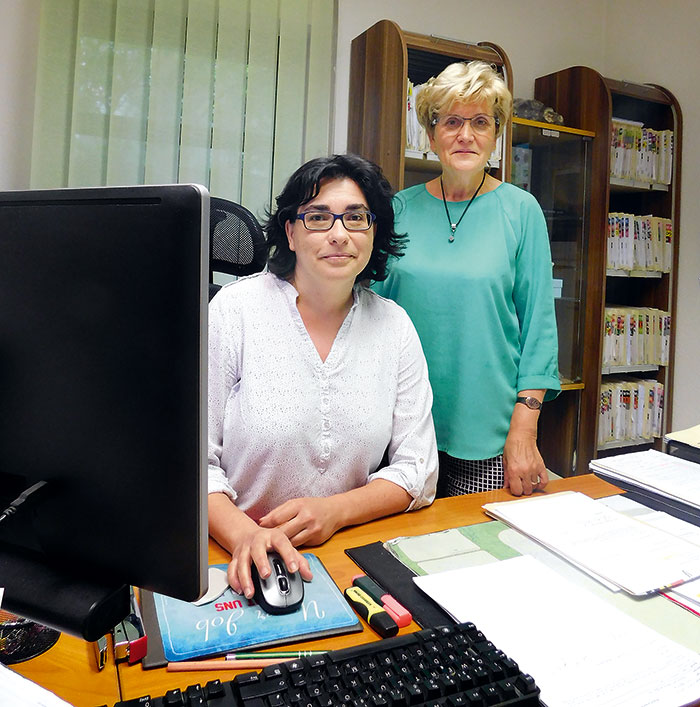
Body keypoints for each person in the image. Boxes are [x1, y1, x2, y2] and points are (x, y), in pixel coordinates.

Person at [207, 154, 438, 600]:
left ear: (374, 233)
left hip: (348, 555)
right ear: (290, 232)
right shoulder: (235, 312)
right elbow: (194, 463)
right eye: (317, 217)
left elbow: (419, 469)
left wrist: (333, 512)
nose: (338, 233)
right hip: (236, 557)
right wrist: (245, 536)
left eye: (355, 218)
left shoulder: (394, 326)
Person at [374, 61, 560, 498]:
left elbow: (539, 329)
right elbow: (367, 317)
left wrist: (525, 429)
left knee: (477, 554)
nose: (465, 135)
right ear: (431, 131)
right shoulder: (398, 209)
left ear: (496, 135)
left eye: (481, 122)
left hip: (489, 436)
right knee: (391, 558)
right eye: (452, 121)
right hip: (398, 430)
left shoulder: (521, 211)